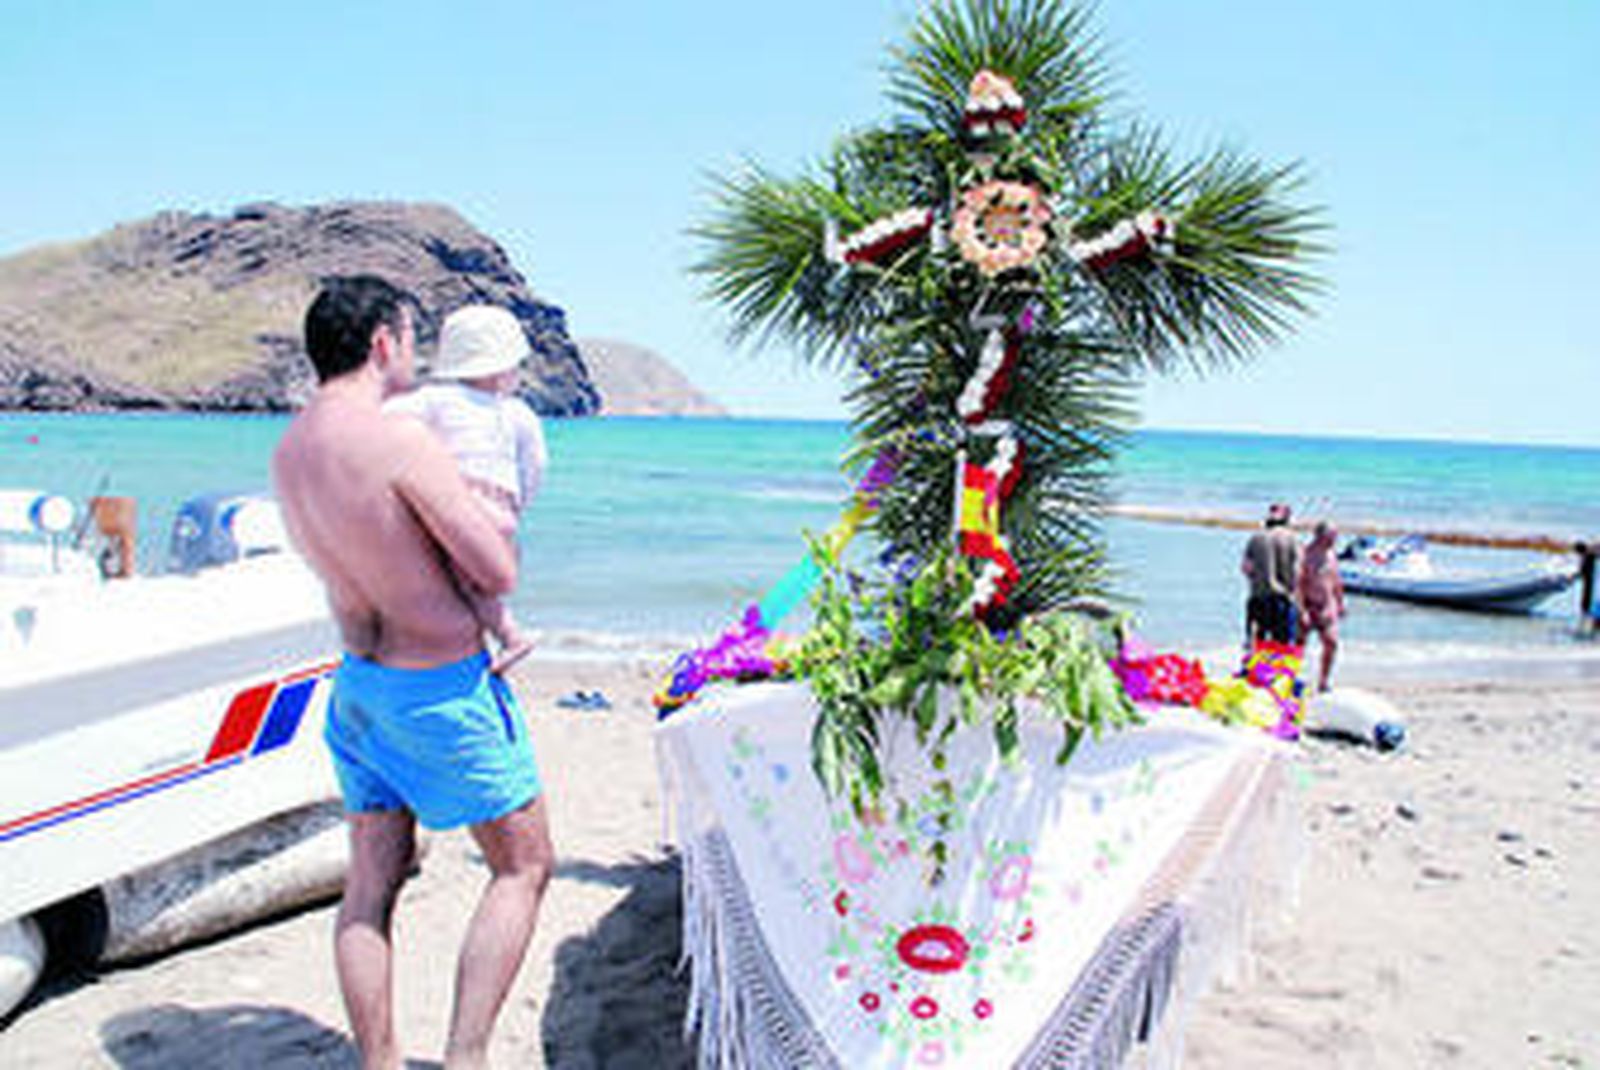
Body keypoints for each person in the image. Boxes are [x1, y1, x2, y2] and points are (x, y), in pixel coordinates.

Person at [272, 276, 552, 1070]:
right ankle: (464, 1059)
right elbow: (492, 566)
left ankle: (380, 1063)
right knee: (524, 865)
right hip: (438, 690)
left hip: (359, 687)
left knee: (370, 887)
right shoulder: (397, 442)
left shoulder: (292, 450)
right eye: (409, 337)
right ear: (383, 343)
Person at [385, 304, 546, 673]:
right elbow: (535, 464)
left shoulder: (436, 399)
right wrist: (516, 506)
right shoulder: (518, 412)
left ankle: (511, 637)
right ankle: (496, 637)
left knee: (454, 579)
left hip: (463, 509)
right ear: (506, 365)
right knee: (478, 584)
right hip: (502, 512)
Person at [1240, 501, 1302, 647]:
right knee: (1283, 648)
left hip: (1258, 598)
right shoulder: (1292, 539)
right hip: (1283, 599)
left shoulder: (1255, 538)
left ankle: (1258, 669)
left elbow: (1246, 569)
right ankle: (1276, 670)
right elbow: (1297, 572)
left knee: (1257, 646)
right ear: (1287, 519)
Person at [1297, 521, 1347, 691]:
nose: (1335, 540)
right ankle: (1292, 678)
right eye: (1332, 536)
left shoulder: (1331, 555)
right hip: (1309, 605)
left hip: (1327, 606)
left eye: (1335, 536)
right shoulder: (1305, 554)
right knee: (1299, 645)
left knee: (1332, 643)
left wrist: (1340, 603)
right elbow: (1298, 584)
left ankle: (1324, 681)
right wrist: (1302, 610)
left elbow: (1336, 581)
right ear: (1320, 536)